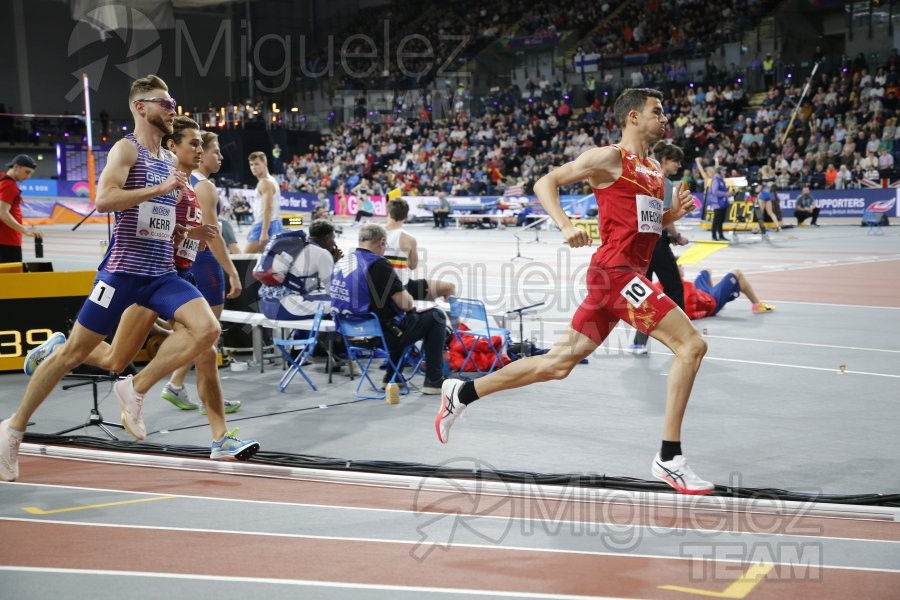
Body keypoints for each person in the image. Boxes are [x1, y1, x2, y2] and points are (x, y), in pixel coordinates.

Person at [435, 88, 715, 495]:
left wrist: (673, 215)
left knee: (556, 365)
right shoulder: (609, 158)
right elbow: (545, 182)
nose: (665, 118)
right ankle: (670, 459)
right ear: (633, 118)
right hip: (615, 275)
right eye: (657, 111)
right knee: (691, 346)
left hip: (620, 277)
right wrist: (566, 225)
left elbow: (643, 229)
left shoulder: (654, 170)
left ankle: (462, 391)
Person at [0, 75, 257, 483]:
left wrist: (187, 234)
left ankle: (134, 389)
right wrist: (159, 190)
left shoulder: (168, 162)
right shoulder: (128, 148)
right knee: (74, 357)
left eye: (173, 102)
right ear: (141, 107)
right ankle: (12, 430)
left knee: (207, 330)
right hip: (121, 273)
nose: (172, 108)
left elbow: (158, 220)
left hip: (160, 276)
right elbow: (104, 200)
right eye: (165, 102)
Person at [160, 129, 243, 413]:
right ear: (201, 153)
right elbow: (212, 235)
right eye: (214, 151)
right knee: (208, 334)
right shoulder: (204, 186)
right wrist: (231, 271)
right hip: (205, 264)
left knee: (199, 334)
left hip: (182, 262)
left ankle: (176, 384)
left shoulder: (181, 179)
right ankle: (194, 393)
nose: (219, 156)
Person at [330, 223, 447, 394]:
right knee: (436, 316)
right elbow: (406, 304)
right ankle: (434, 381)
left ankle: (393, 377)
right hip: (378, 337)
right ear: (382, 242)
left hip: (349, 334)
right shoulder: (378, 265)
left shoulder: (342, 262)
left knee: (396, 319)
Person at [629, 141, 689, 355]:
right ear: (664, 160)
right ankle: (683, 337)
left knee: (646, 293)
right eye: (676, 161)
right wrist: (676, 236)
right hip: (656, 242)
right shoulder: (664, 181)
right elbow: (663, 215)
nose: (679, 165)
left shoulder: (642, 176)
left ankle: (638, 343)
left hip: (639, 243)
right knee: (674, 288)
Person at [256, 219, 337, 320]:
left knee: (308, 301)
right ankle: (328, 336)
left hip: (266, 307)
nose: (334, 243)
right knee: (339, 305)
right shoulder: (322, 253)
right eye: (333, 238)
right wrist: (335, 263)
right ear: (327, 238)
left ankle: (299, 336)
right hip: (285, 309)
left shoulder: (295, 248)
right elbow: (333, 290)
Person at [384, 198, 457, 302]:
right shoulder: (409, 239)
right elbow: (413, 266)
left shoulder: (376, 234)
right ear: (406, 216)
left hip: (379, 287)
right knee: (449, 287)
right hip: (403, 288)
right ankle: (456, 319)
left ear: (388, 212)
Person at [680, 267, 776, 318]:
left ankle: (717, 295)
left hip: (704, 293)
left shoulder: (679, 283)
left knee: (706, 270)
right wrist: (706, 312)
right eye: (680, 266)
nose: (683, 267)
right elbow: (690, 315)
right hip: (712, 303)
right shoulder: (687, 286)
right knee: (737, 272)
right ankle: (757, 305)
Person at [0, 154, 42, 263]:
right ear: (16, 167)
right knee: (12, 279)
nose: (28, 177)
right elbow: (3, 213)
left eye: (30, 174)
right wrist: (25, 230)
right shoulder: (9, 185)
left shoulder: (2, 180)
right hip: (7, 242)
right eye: (27, 172)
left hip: (5, 241)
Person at [243, 151, 283, 253]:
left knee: (243, 260)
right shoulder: (270, 180)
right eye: (251, 164)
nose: (253, 167)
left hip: (265, 225)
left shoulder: (265, 182)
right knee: (264, 263)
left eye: (256, 164)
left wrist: (264, 232)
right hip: (272, 223)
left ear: (265, 163)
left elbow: (268, 208)